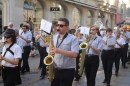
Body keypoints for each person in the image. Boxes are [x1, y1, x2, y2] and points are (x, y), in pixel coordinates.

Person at [51, 18, 79, 86]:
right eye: (57, 25)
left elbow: (75, 54)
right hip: (55, 69)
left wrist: (59, 51)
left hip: (68, 70)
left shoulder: (73, 38)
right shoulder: (53, 37)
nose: (58, 27)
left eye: (61, 26)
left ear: (67, 27)